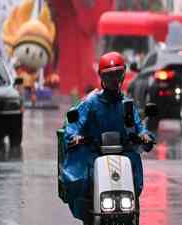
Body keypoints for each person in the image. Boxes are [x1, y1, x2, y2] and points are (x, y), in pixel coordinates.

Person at [61, 52, 154, 220]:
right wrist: (74, 136)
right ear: (102, 77)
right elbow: (74, 126)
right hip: (94, 155)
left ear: (123, 75)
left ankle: (133, 212)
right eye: (109, 75)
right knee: (81, 180)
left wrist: (144, 136)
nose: (114, 79)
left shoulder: (127, 105)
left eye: (117, 74)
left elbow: (139, 128)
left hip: (123, 155)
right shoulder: (90, 103)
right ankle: (88, 213)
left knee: (134, 176)